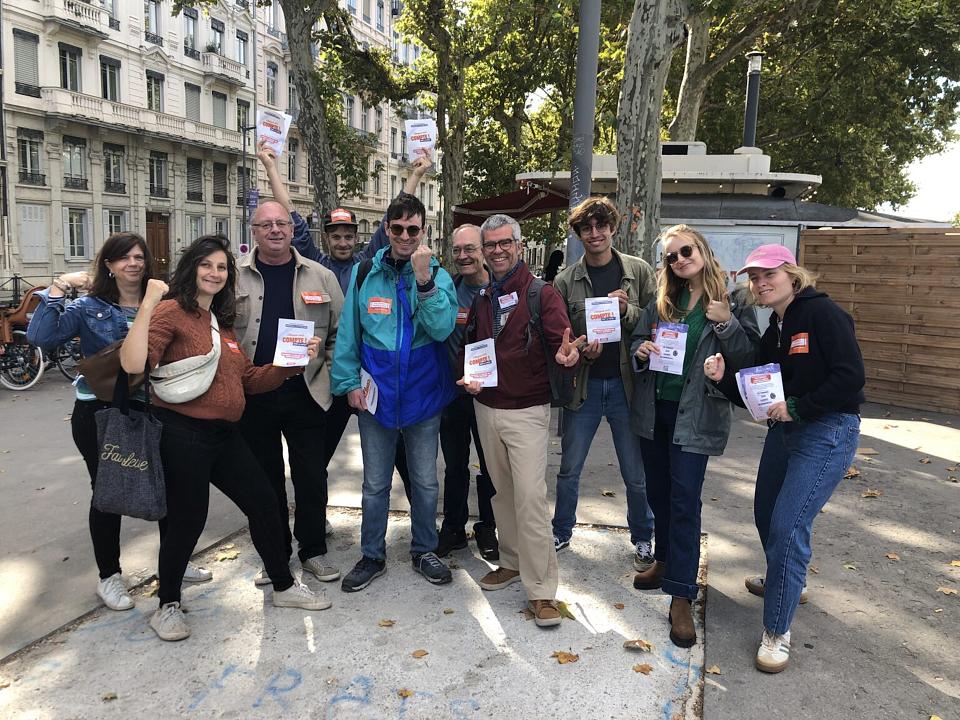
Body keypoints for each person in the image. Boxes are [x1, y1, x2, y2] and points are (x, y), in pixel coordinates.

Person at [120, 235, 332, 642]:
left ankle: (283, 586)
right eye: (207, 265)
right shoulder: (170, 312)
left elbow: (249, 379)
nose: (215, 273)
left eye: (222, 267)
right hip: (182, 433)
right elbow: (134, 366)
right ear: (191, 268)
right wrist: (147, 305)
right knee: (187, 521)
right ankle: (167, 605)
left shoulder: (220, 323)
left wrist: (292, 362)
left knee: (264, 502)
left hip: (224, 435)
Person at [26, 233, 212, 612]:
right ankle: (109, 576)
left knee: (169, 487)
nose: (133, 263)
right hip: (100, 412)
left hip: (157, 408)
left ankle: (173, 561)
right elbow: (40, 336)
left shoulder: (163, 302)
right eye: (124, 257)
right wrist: (59, 286)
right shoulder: (88, 307)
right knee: (107, 492)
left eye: (139, 256)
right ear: (108, 265)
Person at [704, 244, 863, 673]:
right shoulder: (775, 325)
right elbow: (760, 393)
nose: (760, 283)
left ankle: (777, 631)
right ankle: (790, 579)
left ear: (792, 275)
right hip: (785, 430)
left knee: (787, 527)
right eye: (754, 278)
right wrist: (722, 380)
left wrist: (798, 407)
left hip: (827, 430)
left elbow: (851, 377)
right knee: (766, 515)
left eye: (768, 274)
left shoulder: (822, 314)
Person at [257, 140, 428, 495]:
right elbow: (291, 216)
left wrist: (415, 174)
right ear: (326, 238)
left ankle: (422, 515)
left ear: (357, 238)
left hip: (374, 374)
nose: (343, 242)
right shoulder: (315, 264)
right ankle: (315, 514)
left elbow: (395, 218)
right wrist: (271, 167)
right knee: (315, 458)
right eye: (336, 236)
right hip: (335, 376)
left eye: (349, 236)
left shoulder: (368, 264)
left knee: (401, 457)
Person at [629, 224, 759, 648]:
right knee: (659, 493)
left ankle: (682, 595)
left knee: (684, 500)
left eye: (686, 251)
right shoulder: (663, 299)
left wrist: (726, 325)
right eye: (671, 256)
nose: (680, 260)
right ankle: (665, 561)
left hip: (697, 413)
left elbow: (750, 357)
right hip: (655, 410)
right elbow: (638, 339)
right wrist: (640, 351)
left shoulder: (732, 299)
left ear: (701, 248)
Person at [459, 214, 582, 628]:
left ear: (518, 245)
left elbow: (563, 344)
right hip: (486, 407)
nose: (497, 251)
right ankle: (511, 562)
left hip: (527, 411)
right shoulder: (483, 296)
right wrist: (468, 376)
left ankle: (542, 591)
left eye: (504, 243)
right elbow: (474, 347)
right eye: (490, 245)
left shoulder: (541, 294)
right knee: (503, 493)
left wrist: (567, 357)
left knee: (529, 499)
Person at [330, 193, 457, 592]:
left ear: (424, 231)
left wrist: (424, 281)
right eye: (397, 228)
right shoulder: (365, 272)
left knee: (425, 482)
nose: (404, 235)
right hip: (376, 397)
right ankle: (372, 555)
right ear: (386, 228)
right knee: (374, 485)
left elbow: (442, 329)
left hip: (423, 395)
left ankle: (425, 550)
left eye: (412, 229)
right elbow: (349, 333)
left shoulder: (438, 274)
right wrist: (348, 383)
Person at [235, 199, 344, 587]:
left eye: (282, 223)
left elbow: (340, 334)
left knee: (311, 477)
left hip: (306, 391)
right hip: (254, 394)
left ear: (293, 229)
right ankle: (274, 557)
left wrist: (327, 372)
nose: (276, 230)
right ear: (254, 231)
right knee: (264, 482)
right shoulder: (233, 277)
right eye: (266, 225)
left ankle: (313, 551)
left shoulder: (321, 276)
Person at [550, 197, 656, 572]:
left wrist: (627, 310)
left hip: (628, 388)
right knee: (569, 468)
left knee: (635, 474)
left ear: (612, 228)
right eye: (587, 228)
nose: (595, 233)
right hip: (586, 387)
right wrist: (581, 351)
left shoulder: (639, 272)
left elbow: (657, 324)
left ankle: (643, 537)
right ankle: (561, 531)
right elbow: (562, 338)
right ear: (579, 234)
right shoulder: (565, 281)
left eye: (601, 226)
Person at [435, 225, 498, 561]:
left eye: (469, 249)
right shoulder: (449, 289)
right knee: (454, 465)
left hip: (491, 395)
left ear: (483, 250)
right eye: (457, 250)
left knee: (491, 466)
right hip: (453, 394)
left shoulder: (502, 289)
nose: (463, 256)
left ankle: (488, 527)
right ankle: (454, 528)